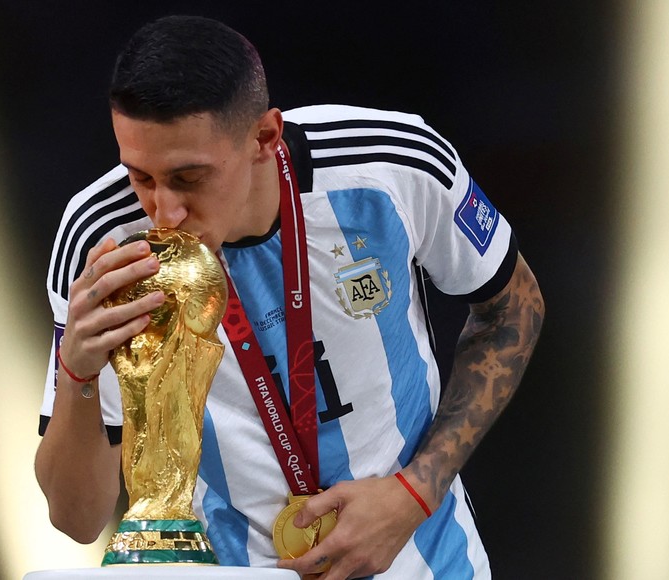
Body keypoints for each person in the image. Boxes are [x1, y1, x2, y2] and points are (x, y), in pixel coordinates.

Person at [34, 14, 544, 580]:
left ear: (264, 138)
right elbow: (76, 519)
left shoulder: (391, 163)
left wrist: (414, 493)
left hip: (430, 563)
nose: (164, 212)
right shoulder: (100, 238)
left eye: (189, 178)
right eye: (140, 177)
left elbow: (514, 307)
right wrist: (76, 369)